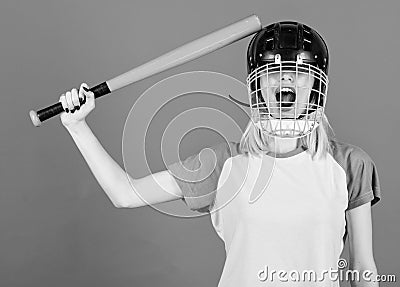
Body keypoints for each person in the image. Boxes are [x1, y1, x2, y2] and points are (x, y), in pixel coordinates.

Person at [59, 21, 381, 286]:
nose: (285, 78)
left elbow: (363, 268)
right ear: (257, 86)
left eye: (298, 72)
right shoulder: (223, 164)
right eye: (274, 71)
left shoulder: (350, 165)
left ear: (315, 84)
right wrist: (77, 126)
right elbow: (124, 193)